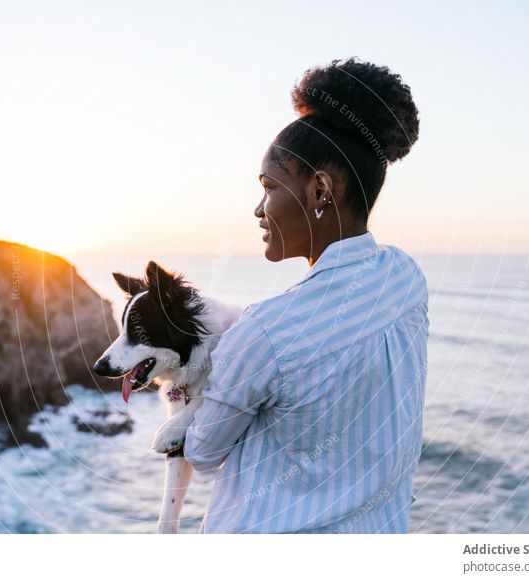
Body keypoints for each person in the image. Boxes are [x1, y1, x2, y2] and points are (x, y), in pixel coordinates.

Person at [183, 57, 428, 533]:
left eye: (269, 187)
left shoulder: (266, 332)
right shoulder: (406, 280)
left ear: (320, 190)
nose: (259, 208)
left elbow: (203, 452)